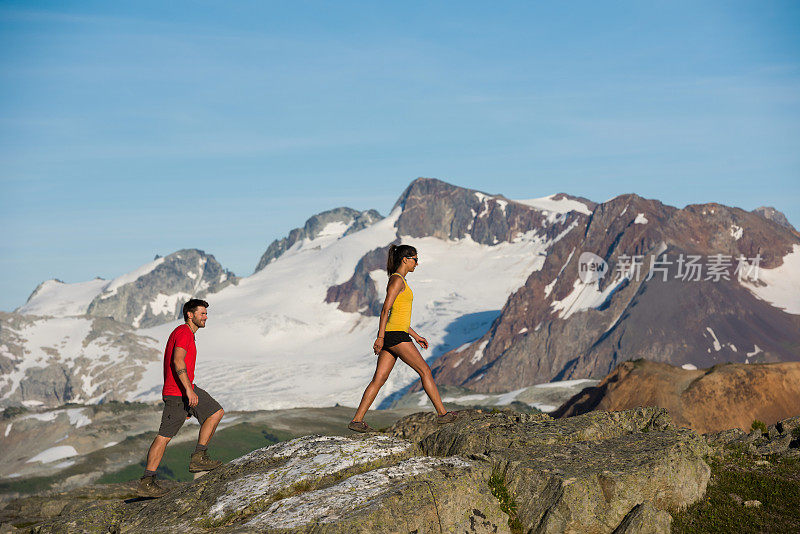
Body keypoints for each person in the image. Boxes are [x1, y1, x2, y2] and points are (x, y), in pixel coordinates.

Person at [349, 244, 456, 432]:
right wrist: (380, 338)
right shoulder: (397, 281)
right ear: (405, 260)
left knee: (379, 379)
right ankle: (442, 414)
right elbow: (385, 310)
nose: (417, 263)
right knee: (425, 371)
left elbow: (399, 317)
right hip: (395, 336)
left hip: (397, 333)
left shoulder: (399, 281)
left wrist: (415, 336)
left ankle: (357, 420)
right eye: (415, 259)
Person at [137, 298, 225, 498]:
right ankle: (147, 481)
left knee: (215, 412)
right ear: (190, 315)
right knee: (164, 436)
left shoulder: (185, 333)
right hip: (178, 393)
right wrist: (188, 392)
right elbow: (178, 361)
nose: (205, 317)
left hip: (182, 391)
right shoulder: (184, 332)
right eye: (202, 313)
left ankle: (199, 457)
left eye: (205, 313)